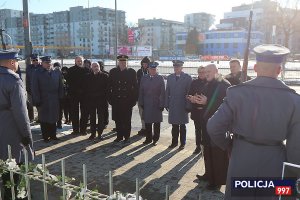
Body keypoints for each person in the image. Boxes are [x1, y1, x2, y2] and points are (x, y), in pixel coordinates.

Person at [207, 44, 300, 199]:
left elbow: (213, 126)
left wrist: (229, 145)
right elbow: (296, 148)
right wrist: (291, 181)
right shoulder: (295, 100)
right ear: (279, 70)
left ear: (255, 68)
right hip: (275, 164)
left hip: (241, 158)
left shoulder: (236, 93)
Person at [0, 49, 34, 200]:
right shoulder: (13, 80)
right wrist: (26, 137)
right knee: (14, 174)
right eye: (17, 61)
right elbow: (21, 113)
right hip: (11, 132)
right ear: (12, 62)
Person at [192, 64, 230, 190]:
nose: (206, 73)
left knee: (217, 154)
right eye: (205, 71)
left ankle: (217, 181)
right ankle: (209, 175)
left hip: (217, 127)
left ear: (216, 71)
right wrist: (197, 100)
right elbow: (207, 100)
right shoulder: (209, 83)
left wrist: (206, 102)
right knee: (207, 151)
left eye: (209, 71)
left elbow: (225, 106)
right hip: (206, 124)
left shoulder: (224, 85)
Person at [31, 56, 63, 142]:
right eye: (46, 63)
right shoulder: (37, 73)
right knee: (44, 118)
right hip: (43, 99)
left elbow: (60, 86)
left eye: (49, 62)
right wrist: (37, 100)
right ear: (42, 63)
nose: (48, 64)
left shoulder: (56, 72)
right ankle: (45, 136)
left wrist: (61, 97)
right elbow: (34, 88)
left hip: (54, 99)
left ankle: (53, 135)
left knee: (54, 117)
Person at [108, 55, 138, 143]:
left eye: (124, 62)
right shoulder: (113, 71)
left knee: (127, 120)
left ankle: (127, 137)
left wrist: (134, 100)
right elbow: (108, 86)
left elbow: (135, 87)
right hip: (116, 100)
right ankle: (119, 136)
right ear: (118, 62)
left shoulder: (131, 72)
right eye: (121, 62)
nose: (123, 64)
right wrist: (110, 99)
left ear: (127, 63)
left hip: (127, 100)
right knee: (118, 120)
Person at [165, 60, 192, 150]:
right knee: (174, 125)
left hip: (182, 105)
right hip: (173, 104)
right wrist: (166, 103)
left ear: (182, 67)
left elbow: (189, 92)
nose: (176, 68)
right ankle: (174, 142)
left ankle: (182, 143)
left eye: (178, 67)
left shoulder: (187, 78)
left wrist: (188, 105)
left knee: (182, 126)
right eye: (175, 67)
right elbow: (167, 91)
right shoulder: (170, 77)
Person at [139, 61, 165, 146]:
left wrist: (162, 104)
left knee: (157, 123)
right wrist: (141, 102)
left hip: (157, 104)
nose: (153, 71)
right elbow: (141, 91)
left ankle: (155, 139)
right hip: (147, 104)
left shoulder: (160, 78)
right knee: (148, 123)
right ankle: (148, 138)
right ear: (148, 69)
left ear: (156, 69)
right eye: (151, 69)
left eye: (154, 69)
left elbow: (162, 93)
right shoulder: (144, 78)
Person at [67, 56, 90, 135]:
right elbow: (69, 83)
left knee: (85, 113)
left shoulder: (87, 70)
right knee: (74, 113)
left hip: (85, 95)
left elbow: (89, 83)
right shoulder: (70, 70)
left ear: (83, 61)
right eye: (78, 61)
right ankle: (75, 130)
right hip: (74, 94)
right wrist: (75, 90)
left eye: (81, 61)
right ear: (75, 61)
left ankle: (83, 130)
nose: (79, 62)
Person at [86, 62, 109, 140]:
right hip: (91, 100)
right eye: (94, 66)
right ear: (91, 68)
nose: (96, 68)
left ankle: (100, 133)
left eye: (97, 66)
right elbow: (87, 89)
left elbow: (107, 89)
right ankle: (93, 133)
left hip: (101, 100)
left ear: (99, 67)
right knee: (92, 118)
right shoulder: (88, 77)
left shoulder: (105, 76)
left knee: (101, 118)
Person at [186, 66, 206, 154]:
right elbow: (188, 94)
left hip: (206, 111)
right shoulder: (194, 82)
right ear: (198, 73)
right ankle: (198, 146)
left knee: (205, 130)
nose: (201, 74)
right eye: (200, 72)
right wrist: (191, 97)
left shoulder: (209, 82)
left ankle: (205, 146)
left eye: (203, 72)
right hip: (196, 110)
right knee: (197, 130)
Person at [136, 56, 150, 136]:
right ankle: (143, 127)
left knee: (149, 113)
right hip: (140, 96)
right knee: (141, 112)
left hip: (149, 96)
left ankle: (148, 128)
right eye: (143, 63)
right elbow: (136, 83)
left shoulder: (151, 71)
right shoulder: (139, 72)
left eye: (146, 64)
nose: (145, 65)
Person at [25, 53, 41, 122]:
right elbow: (27, 79)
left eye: (36, 60)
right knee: (30, 104)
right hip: (31, 89)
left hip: (39, 89)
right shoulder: (29, 68)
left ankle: (40, 118)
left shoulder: (41, 67)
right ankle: (31, 118)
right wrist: (27, 88)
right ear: (31, 60)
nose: (35, 61)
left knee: (39, 105)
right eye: (33, 60)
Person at [98, 60, 109, 128]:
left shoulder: (106, 74)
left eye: (100, 66)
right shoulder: (94, 73)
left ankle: (105, 122)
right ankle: (100, 122)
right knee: (99, 110)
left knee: (105, 109)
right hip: (98, 95)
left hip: (104, 94)